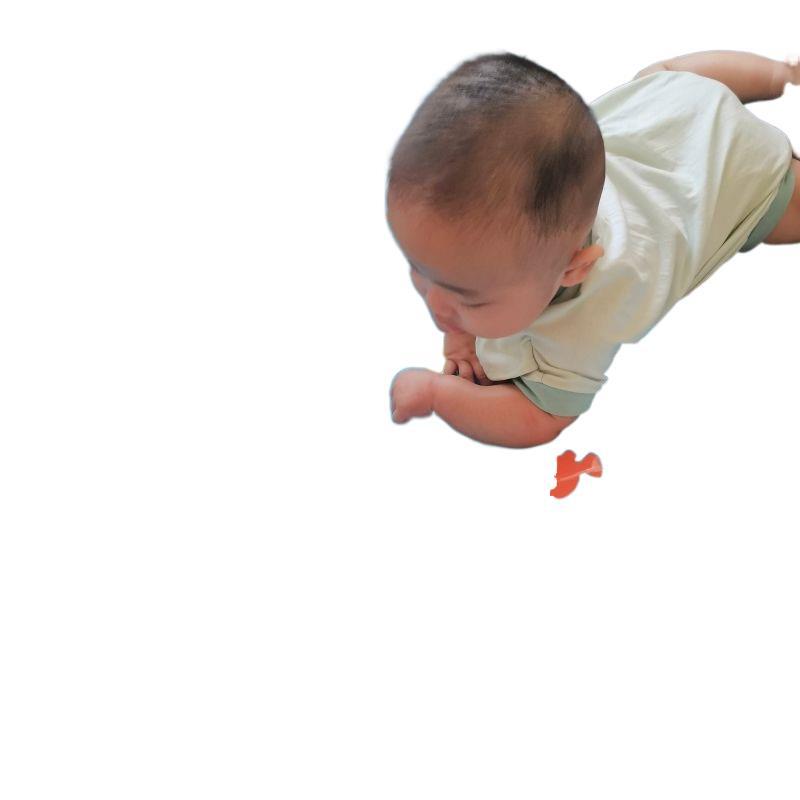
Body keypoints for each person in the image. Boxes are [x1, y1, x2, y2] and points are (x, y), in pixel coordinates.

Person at [386, 50, 800, 448]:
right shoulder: (550, 191)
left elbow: (538, 418)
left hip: (743, 168)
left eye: (468, 299)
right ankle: (779, 73)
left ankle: (779, 84)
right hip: (665, 103)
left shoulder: (589, 315)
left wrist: (438, 395)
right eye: (420, 269)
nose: (436, 306)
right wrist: (461, 337)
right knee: (666, 72)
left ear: (574, 270)